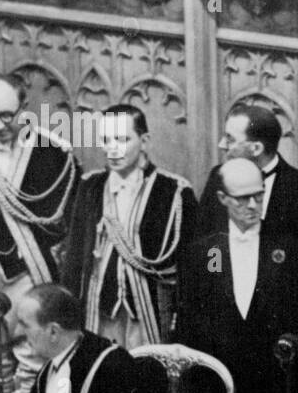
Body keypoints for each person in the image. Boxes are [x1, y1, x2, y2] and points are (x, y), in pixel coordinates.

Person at [178, 157, 298, 393]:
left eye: (259, 196)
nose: (253, 206)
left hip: (275, 388)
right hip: (219, 387)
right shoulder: (207, 253)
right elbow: (190, 323)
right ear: (222, 198)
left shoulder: (288, 250)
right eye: (242, 199)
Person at [0, 73, 78, 393]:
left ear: (24, 107)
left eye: (6, 116)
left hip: (30, 275)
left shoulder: (54, 155)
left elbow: (66, 225)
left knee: (35, 359)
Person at [60, 104, 196, 348]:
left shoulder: (174, 192)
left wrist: (188, 314)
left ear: (144, 141)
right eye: (106, 140)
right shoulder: (90, 186)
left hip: (150, 312)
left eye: (122, 139)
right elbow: (74, 256)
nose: (112, 148)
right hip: (98, 311)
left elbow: (203, 256)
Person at [195, 105, 298, 316]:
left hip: (275, 318)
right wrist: (220, 286)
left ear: (256, 148)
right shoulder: (218, 178)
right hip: (224, 312)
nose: (221, 145)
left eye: (230, 139)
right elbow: (208, 239)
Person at [21, 282, 143, 393]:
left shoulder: (112, 366)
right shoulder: (49, 367)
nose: (21, 334)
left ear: (53, 331)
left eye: (25, 326)